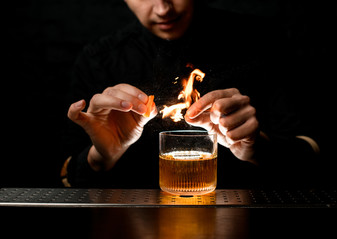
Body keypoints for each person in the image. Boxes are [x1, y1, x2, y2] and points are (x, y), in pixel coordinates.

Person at [63, 0, 319, 188]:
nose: (164, 9)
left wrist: (258, 148)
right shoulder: (99, 60)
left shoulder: (262, 40)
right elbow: (63, 178)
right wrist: (100, 157)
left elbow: (316, 157)